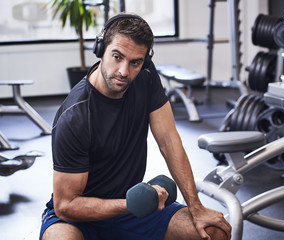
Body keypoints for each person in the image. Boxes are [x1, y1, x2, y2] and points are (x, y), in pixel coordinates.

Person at [39, 12, 231, 240]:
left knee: (213, 232)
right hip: (79, 218)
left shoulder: (146, 77)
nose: (124, 71)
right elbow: (66, 205)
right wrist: (129, 205)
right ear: (101, 50)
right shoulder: (75, 117)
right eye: (117, 57)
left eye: (135, 62)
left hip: (131, 210)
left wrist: (196, 208)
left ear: (144, 61)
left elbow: (169, 142)